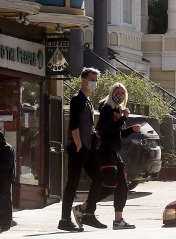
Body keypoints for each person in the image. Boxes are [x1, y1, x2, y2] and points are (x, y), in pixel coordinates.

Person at [75, 82, 140, 230]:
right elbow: (109, 129)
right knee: (110, 185)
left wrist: (131, 129)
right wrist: (123, 119)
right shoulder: (106, 109)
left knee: (123, 186)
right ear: (111, 93)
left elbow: (118, 134)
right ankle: (83, 207)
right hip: (105, 153)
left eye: (123, 93)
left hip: (114, 152)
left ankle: (118, 220)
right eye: (117, 92)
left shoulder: (116, 110)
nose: (120, 95)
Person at [59, 67, 101, 232]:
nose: (94, 83)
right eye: (92, 80)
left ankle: (88, 213)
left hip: (88, 148)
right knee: (72, 183)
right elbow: (74, 125)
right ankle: (64, 219)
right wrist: (79, 146)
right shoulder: (77, 99)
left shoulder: (88, 100)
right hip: (79, 148)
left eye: (96, 80)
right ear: (84, 80)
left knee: (98, 178)